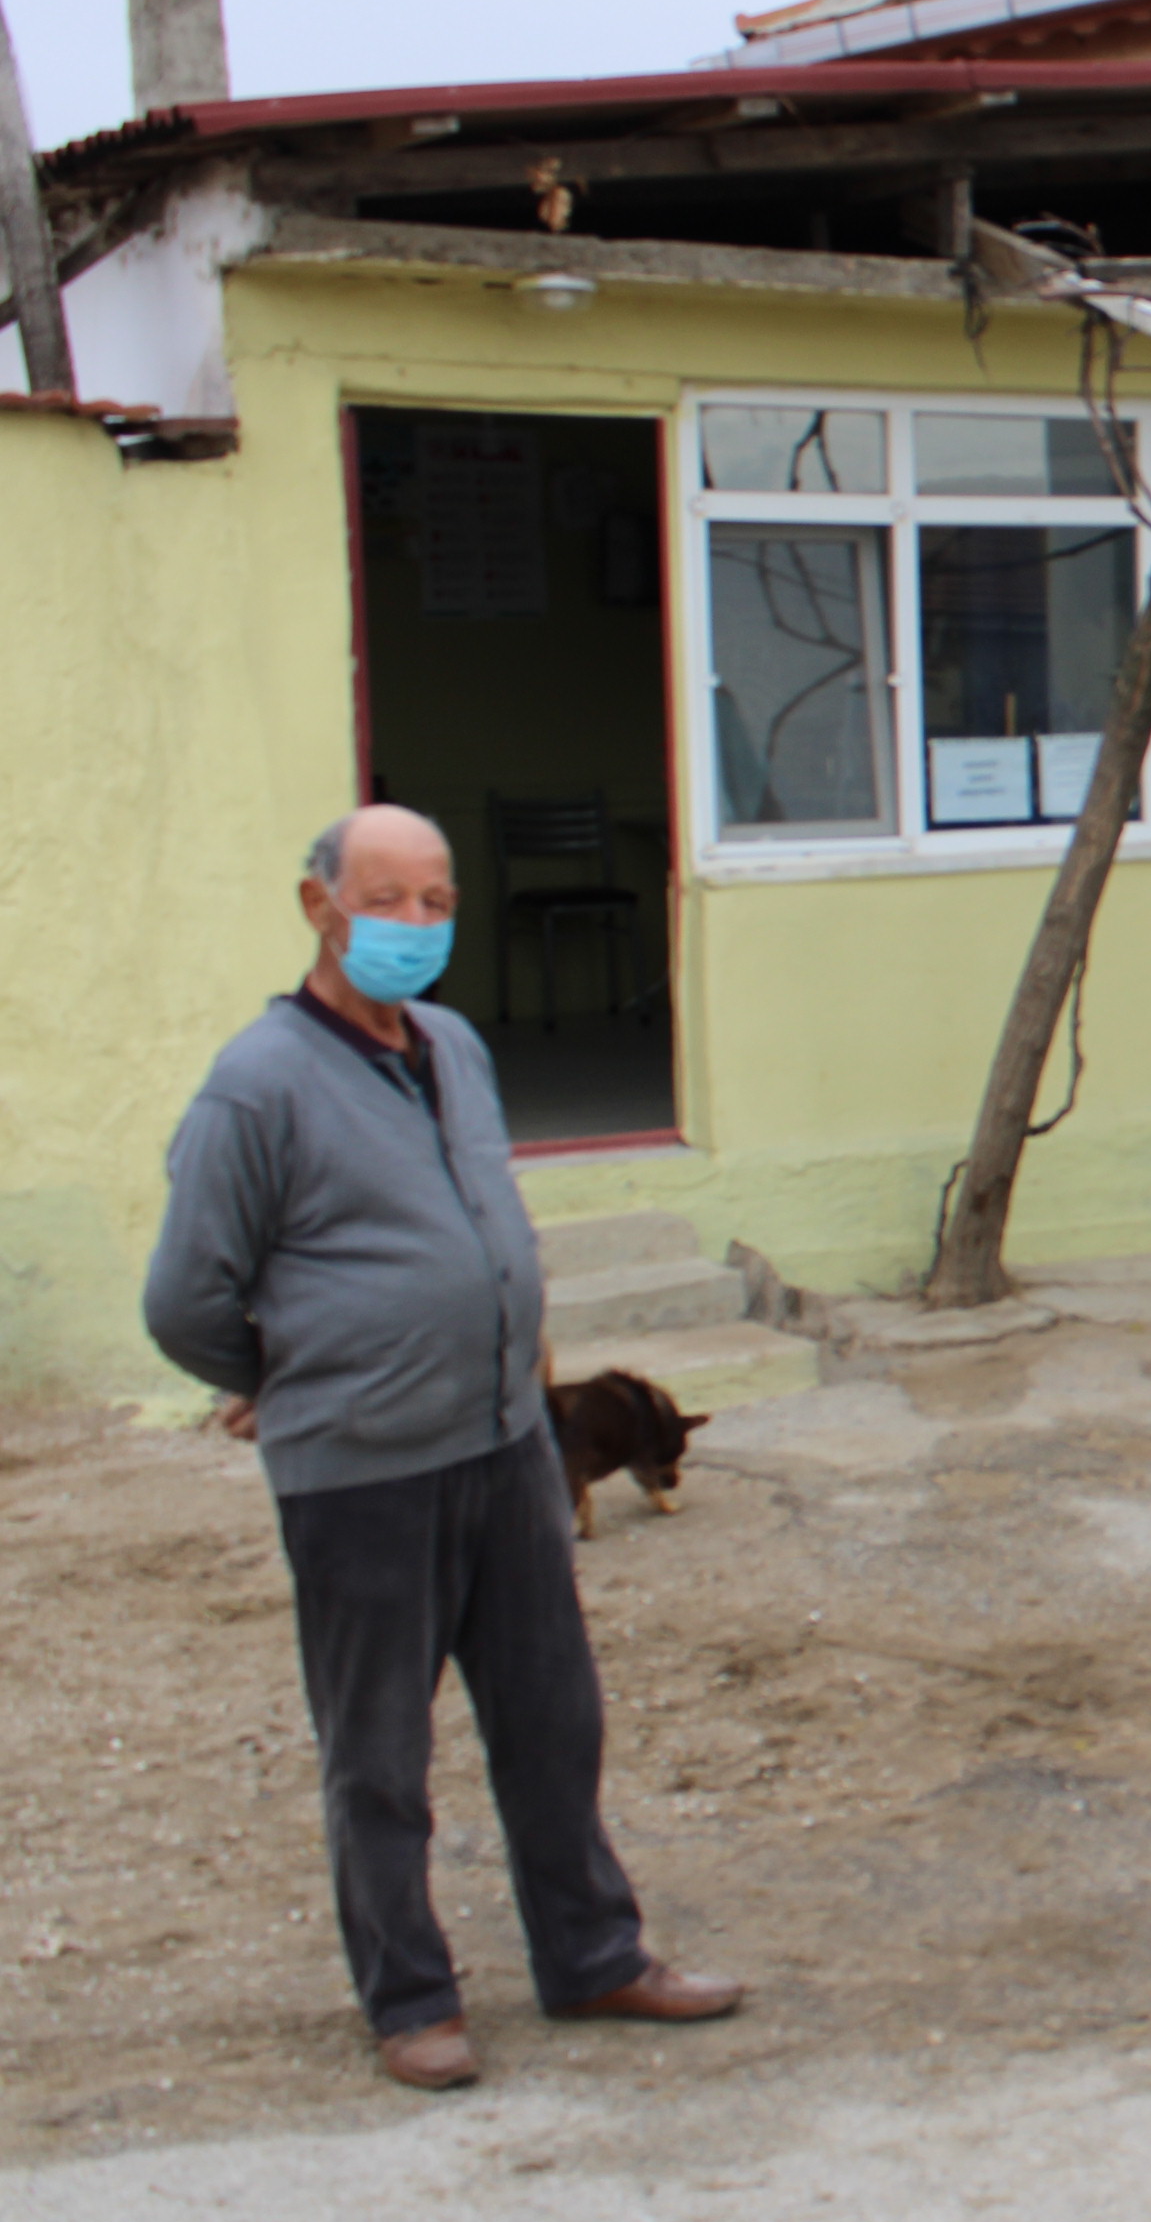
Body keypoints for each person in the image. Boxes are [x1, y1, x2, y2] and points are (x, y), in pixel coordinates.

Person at [141, 807, 742, 2092]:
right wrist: (288, 1377)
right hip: (359, 1472)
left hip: (507, 1448)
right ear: (319, 908)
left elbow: (484, 1220)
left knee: (551, 1721)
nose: (416, 926)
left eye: (437, 901)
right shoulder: (256, 1083)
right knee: (381, 1753)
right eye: (387, 900)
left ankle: (594, 1959)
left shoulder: (456, 1047)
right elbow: (184, 1296)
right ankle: (410, 1999)